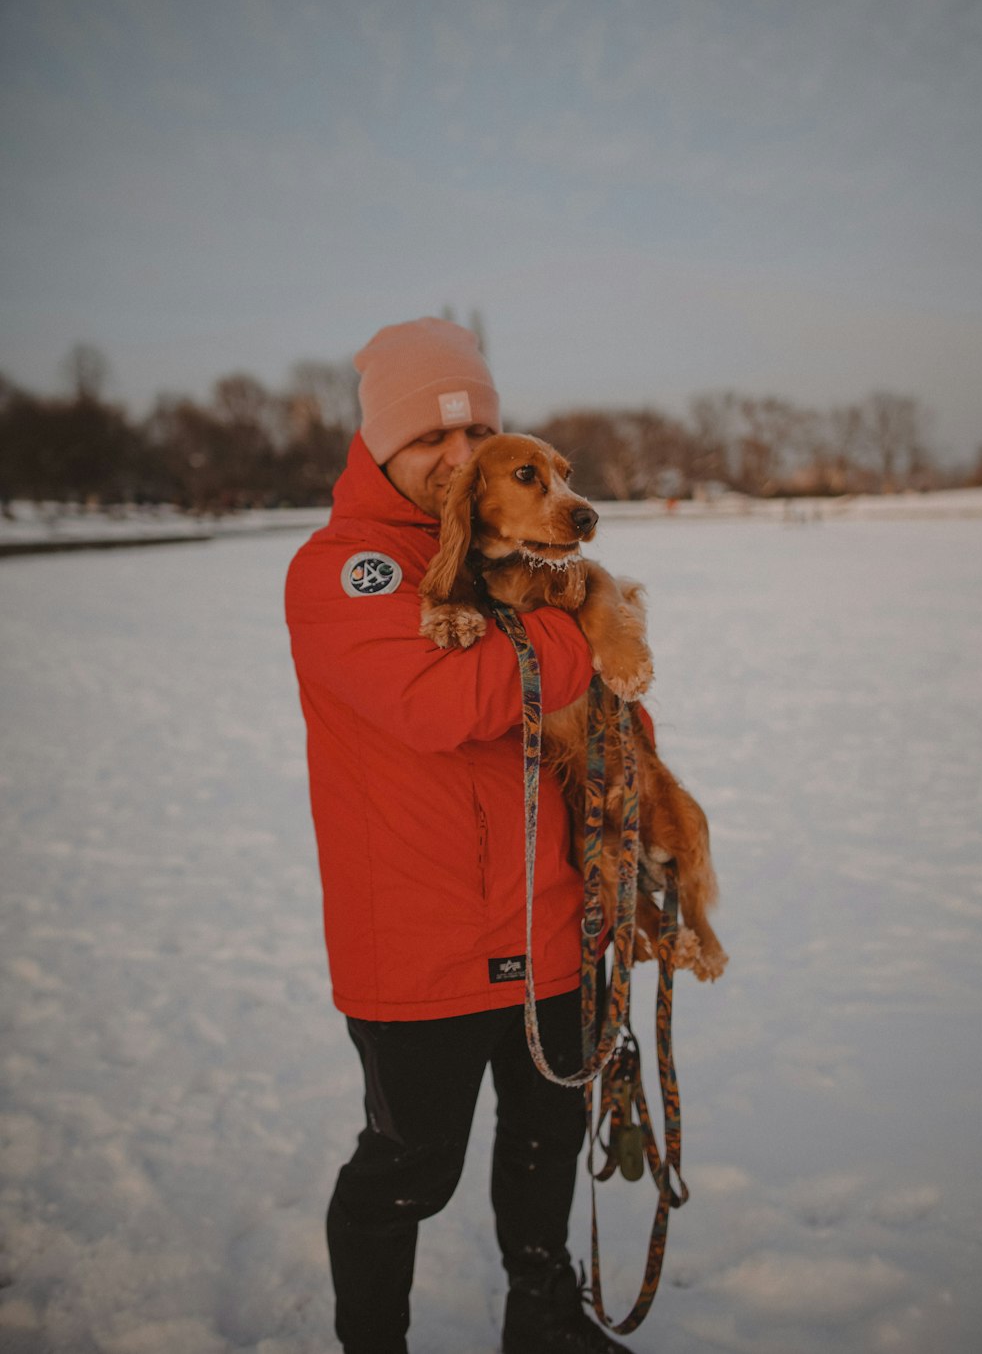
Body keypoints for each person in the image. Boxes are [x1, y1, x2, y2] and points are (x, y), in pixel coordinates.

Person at [285, 317, 629, 1354]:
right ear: (381, 444)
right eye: (433, 435)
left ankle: (543, 1318)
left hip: (551, 922)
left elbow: (597, 710)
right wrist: (580, 627)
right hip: (421, 946)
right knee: (409, 1170)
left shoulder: (515, 545)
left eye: (478, 428)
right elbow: (447, 704)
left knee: (546, 1143)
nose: (460, 455)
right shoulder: (348, 571)